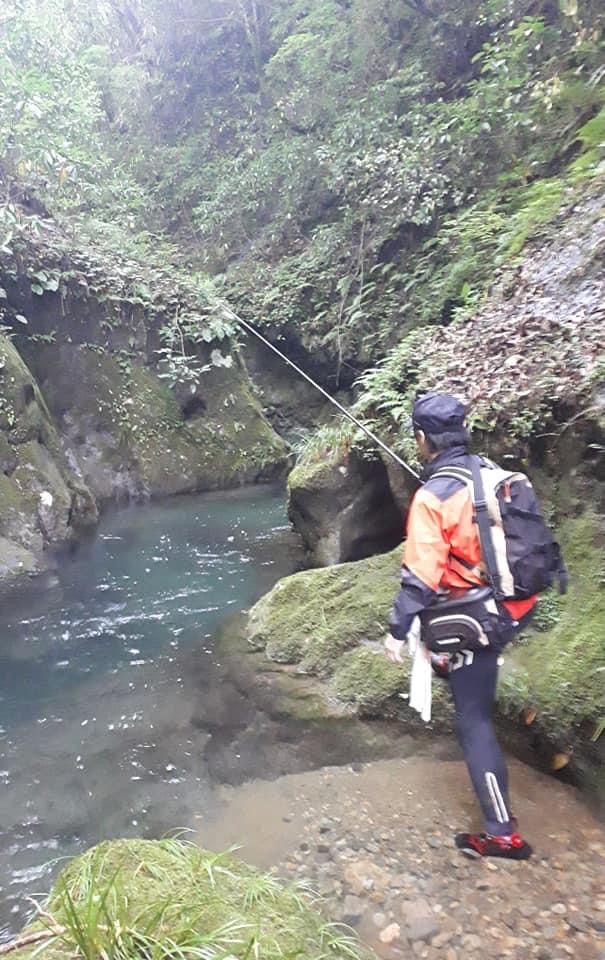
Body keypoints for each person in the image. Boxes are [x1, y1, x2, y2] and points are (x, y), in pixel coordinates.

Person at [385, 392, 536, 860]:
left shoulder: (433, 497)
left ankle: (502, 835)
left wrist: (396, 631)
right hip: (519, 604)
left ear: (422, 438)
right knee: (460, 662)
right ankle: (457, 662)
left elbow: (420, 578)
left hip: (482, 618)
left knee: (474, 722)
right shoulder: (492, 474)